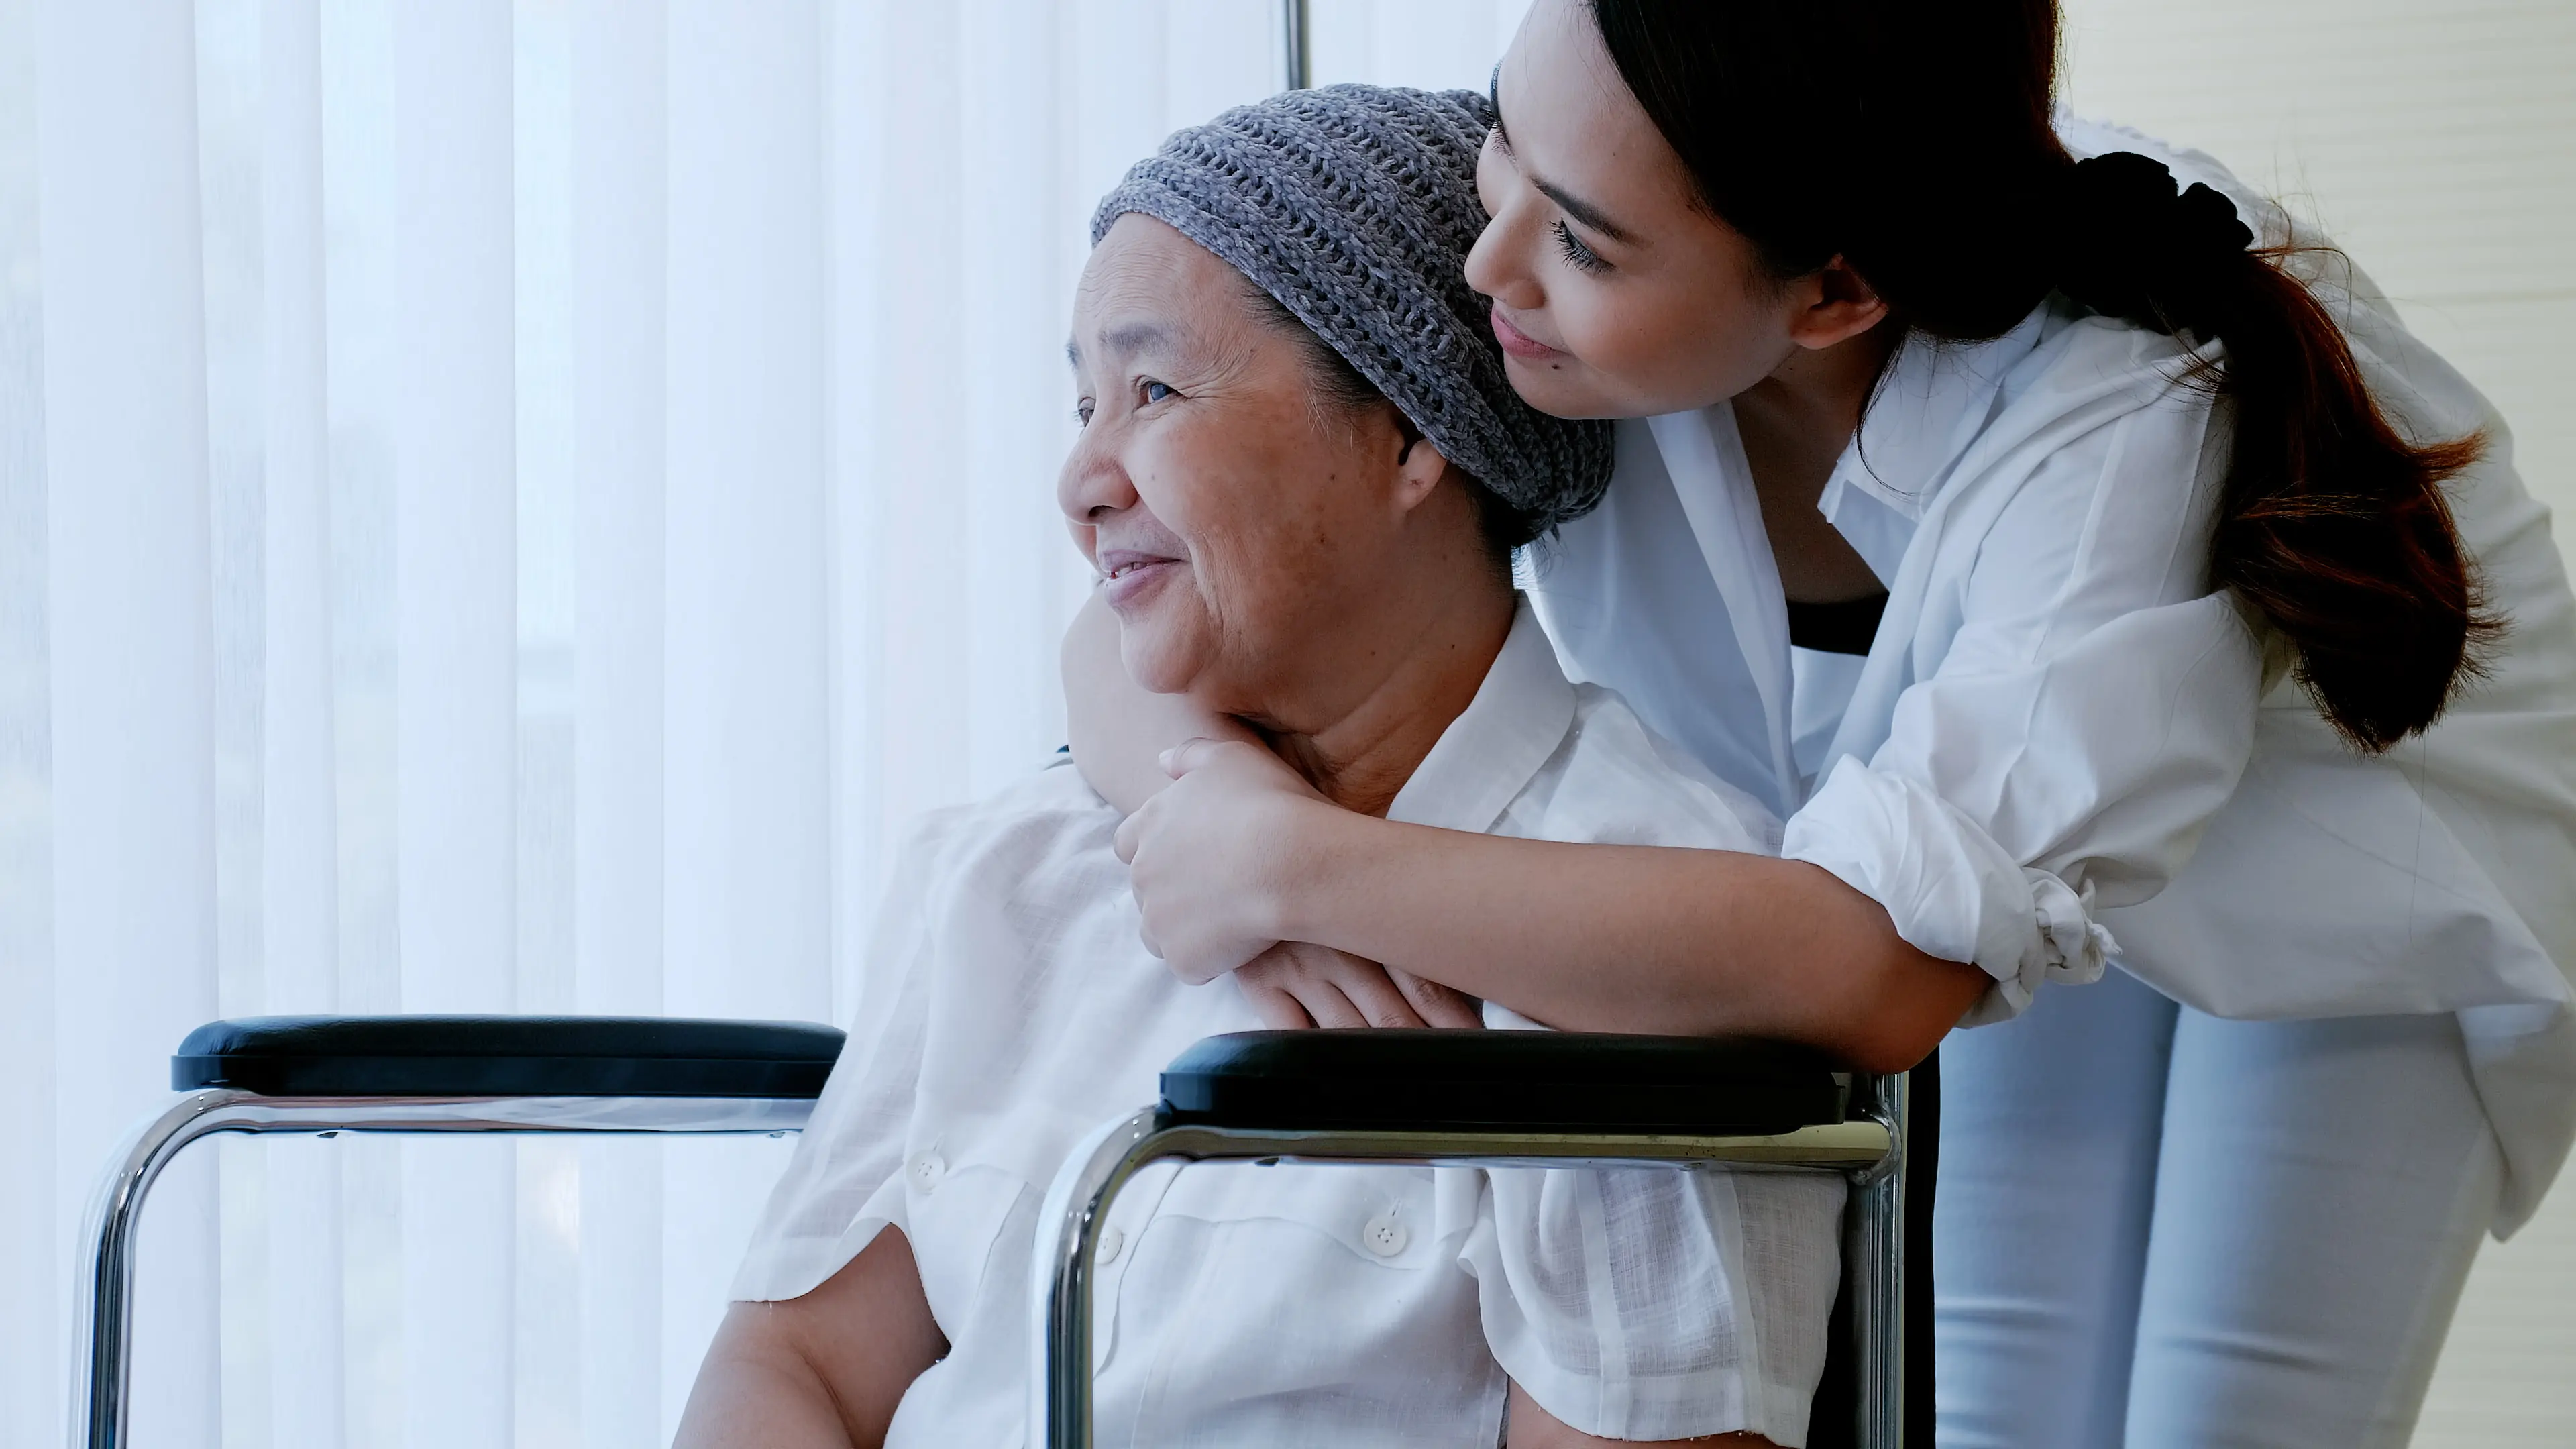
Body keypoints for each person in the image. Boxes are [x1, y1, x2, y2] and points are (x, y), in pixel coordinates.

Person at [1073, 3, 2576, 1444]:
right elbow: (1127, 622)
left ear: (1835, 293)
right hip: (1975, 843)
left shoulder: (2121, 417)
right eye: (1507, 143)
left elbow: (1875, 971)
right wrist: (1213, 810)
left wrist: (1299, 872)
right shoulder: (1590, 180)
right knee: (1985, 1405)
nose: (1487, 261)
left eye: (1582, 240)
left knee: (2231, 1425)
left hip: (2353, 851)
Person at [676, 85, 1849, 1449]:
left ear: (1412, 437)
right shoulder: (1011, 871)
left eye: (1156, 390)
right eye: (1082, 403)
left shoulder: (1648, 935)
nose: (1081, 479)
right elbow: (797, 1362)